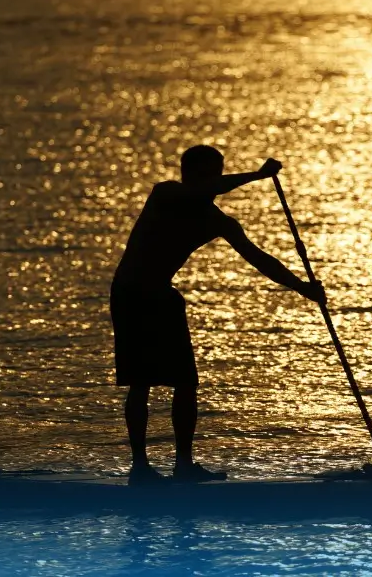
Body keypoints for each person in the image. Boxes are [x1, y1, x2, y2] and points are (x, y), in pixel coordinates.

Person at [111, 145, 326, 484]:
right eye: (209, 174)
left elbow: (260, 259)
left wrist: (304, 288)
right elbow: (201, 190)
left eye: (216, 173)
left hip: (162, 295)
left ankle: (183, 466)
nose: (213, 181)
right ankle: (140, 468)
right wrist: (257, 176)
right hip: (131, 292)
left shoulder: (216, 221)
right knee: (141, 382)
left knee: (185, 382)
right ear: (193, 175)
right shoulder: (165, 193)